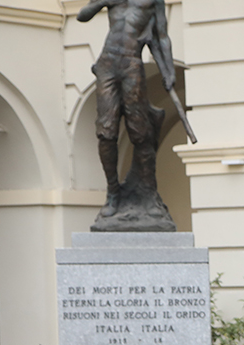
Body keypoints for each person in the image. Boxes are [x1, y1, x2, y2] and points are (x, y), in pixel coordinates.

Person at [78, 0, 180, 225]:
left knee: (141, 132)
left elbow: (162, 35)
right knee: (106, 132)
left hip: (132, 63)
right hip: (107, 63)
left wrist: (169, 69)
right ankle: (112, 193)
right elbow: (81, 16)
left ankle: (149, 193)